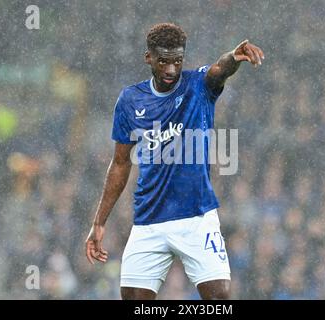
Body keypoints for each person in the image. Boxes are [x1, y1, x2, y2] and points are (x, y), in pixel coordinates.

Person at [85, 22, 264, 300]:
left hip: (196, 216)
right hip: (149, 220)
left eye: (177, 61)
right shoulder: (130, 100)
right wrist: (99, 222)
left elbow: (219, 70)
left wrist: (233, 56)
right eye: (163, 61)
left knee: (220, 299)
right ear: (149, 58)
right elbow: (120, 163)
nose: (171, 69)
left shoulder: (198, 86)